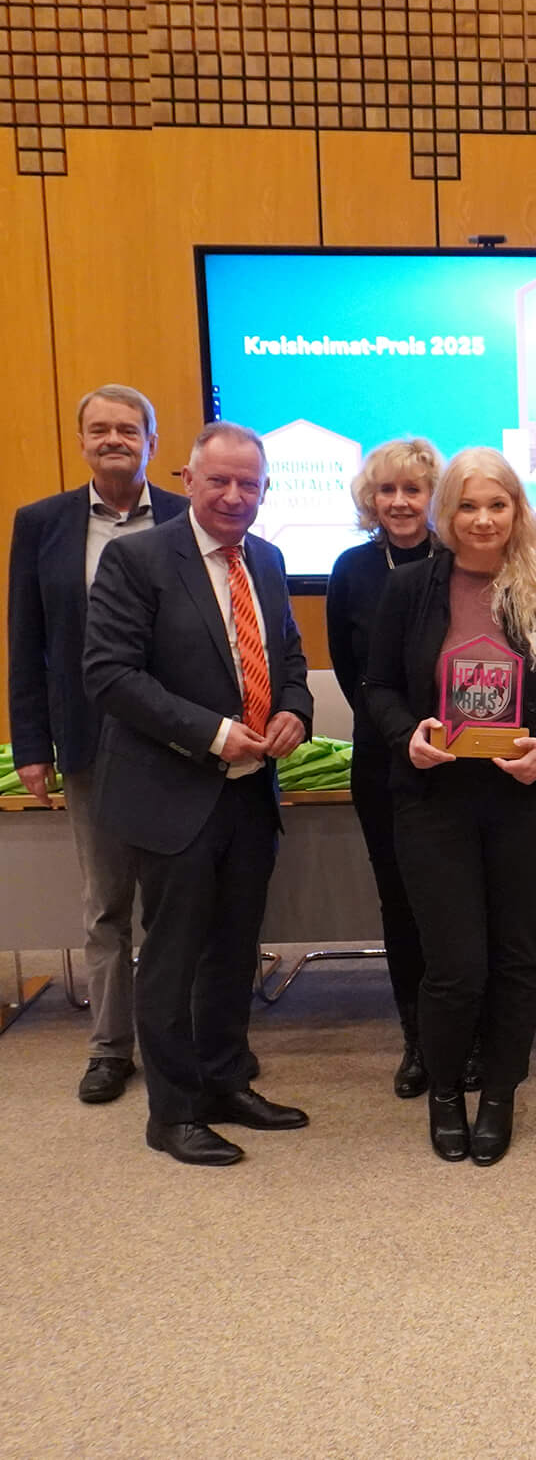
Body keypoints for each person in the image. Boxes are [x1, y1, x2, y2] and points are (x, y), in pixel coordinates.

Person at [81, 421, 313, 1165]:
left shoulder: (269, 561)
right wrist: (213, 733)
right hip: (171, 793)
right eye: (220, 480)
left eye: (250, 483)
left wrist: (295, 710)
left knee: (233, 951)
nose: (235, 495)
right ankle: (172, 1110)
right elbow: (111, 675)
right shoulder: (137, 558)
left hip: (250, 797)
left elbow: (291, 657)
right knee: (174, 955)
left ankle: (224, 1080)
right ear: (187, 479)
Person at [365, 448, 536, 1167]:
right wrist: (410, 736)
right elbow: (380, 691)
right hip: (435, 800)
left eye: (498, 504)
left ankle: (499, 1095)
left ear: (518, 510)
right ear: (446, 513)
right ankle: (444, 1093)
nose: (483, 518)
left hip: (525, 801)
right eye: (468, 505)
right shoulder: (409, 591)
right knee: (455, 964)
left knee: (520, 958)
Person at [9, 384, 188, 1104]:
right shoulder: (42, 524)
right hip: (89, 745)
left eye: (128, 429)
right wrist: (31, 745)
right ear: (82, 440)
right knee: (107, 904)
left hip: (179, 742)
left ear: (151, 441)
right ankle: (111, 1047)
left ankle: (188, 1041)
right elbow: (27, 642)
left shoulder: (186, 516)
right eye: (100, 429)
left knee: (177, 907)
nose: (114, 439)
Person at [326, 437, 443, 1098]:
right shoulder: (351, 569)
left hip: (460, 760)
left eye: (413, 489)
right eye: (387, 490)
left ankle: (467, 1029)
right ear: (371, 498)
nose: (399, 501)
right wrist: (400, 733)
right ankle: (418, 1037)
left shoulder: (457, 562)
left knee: (455, 901)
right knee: (399, 900)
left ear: (433, 497)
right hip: (384, 762)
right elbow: (352, 672)